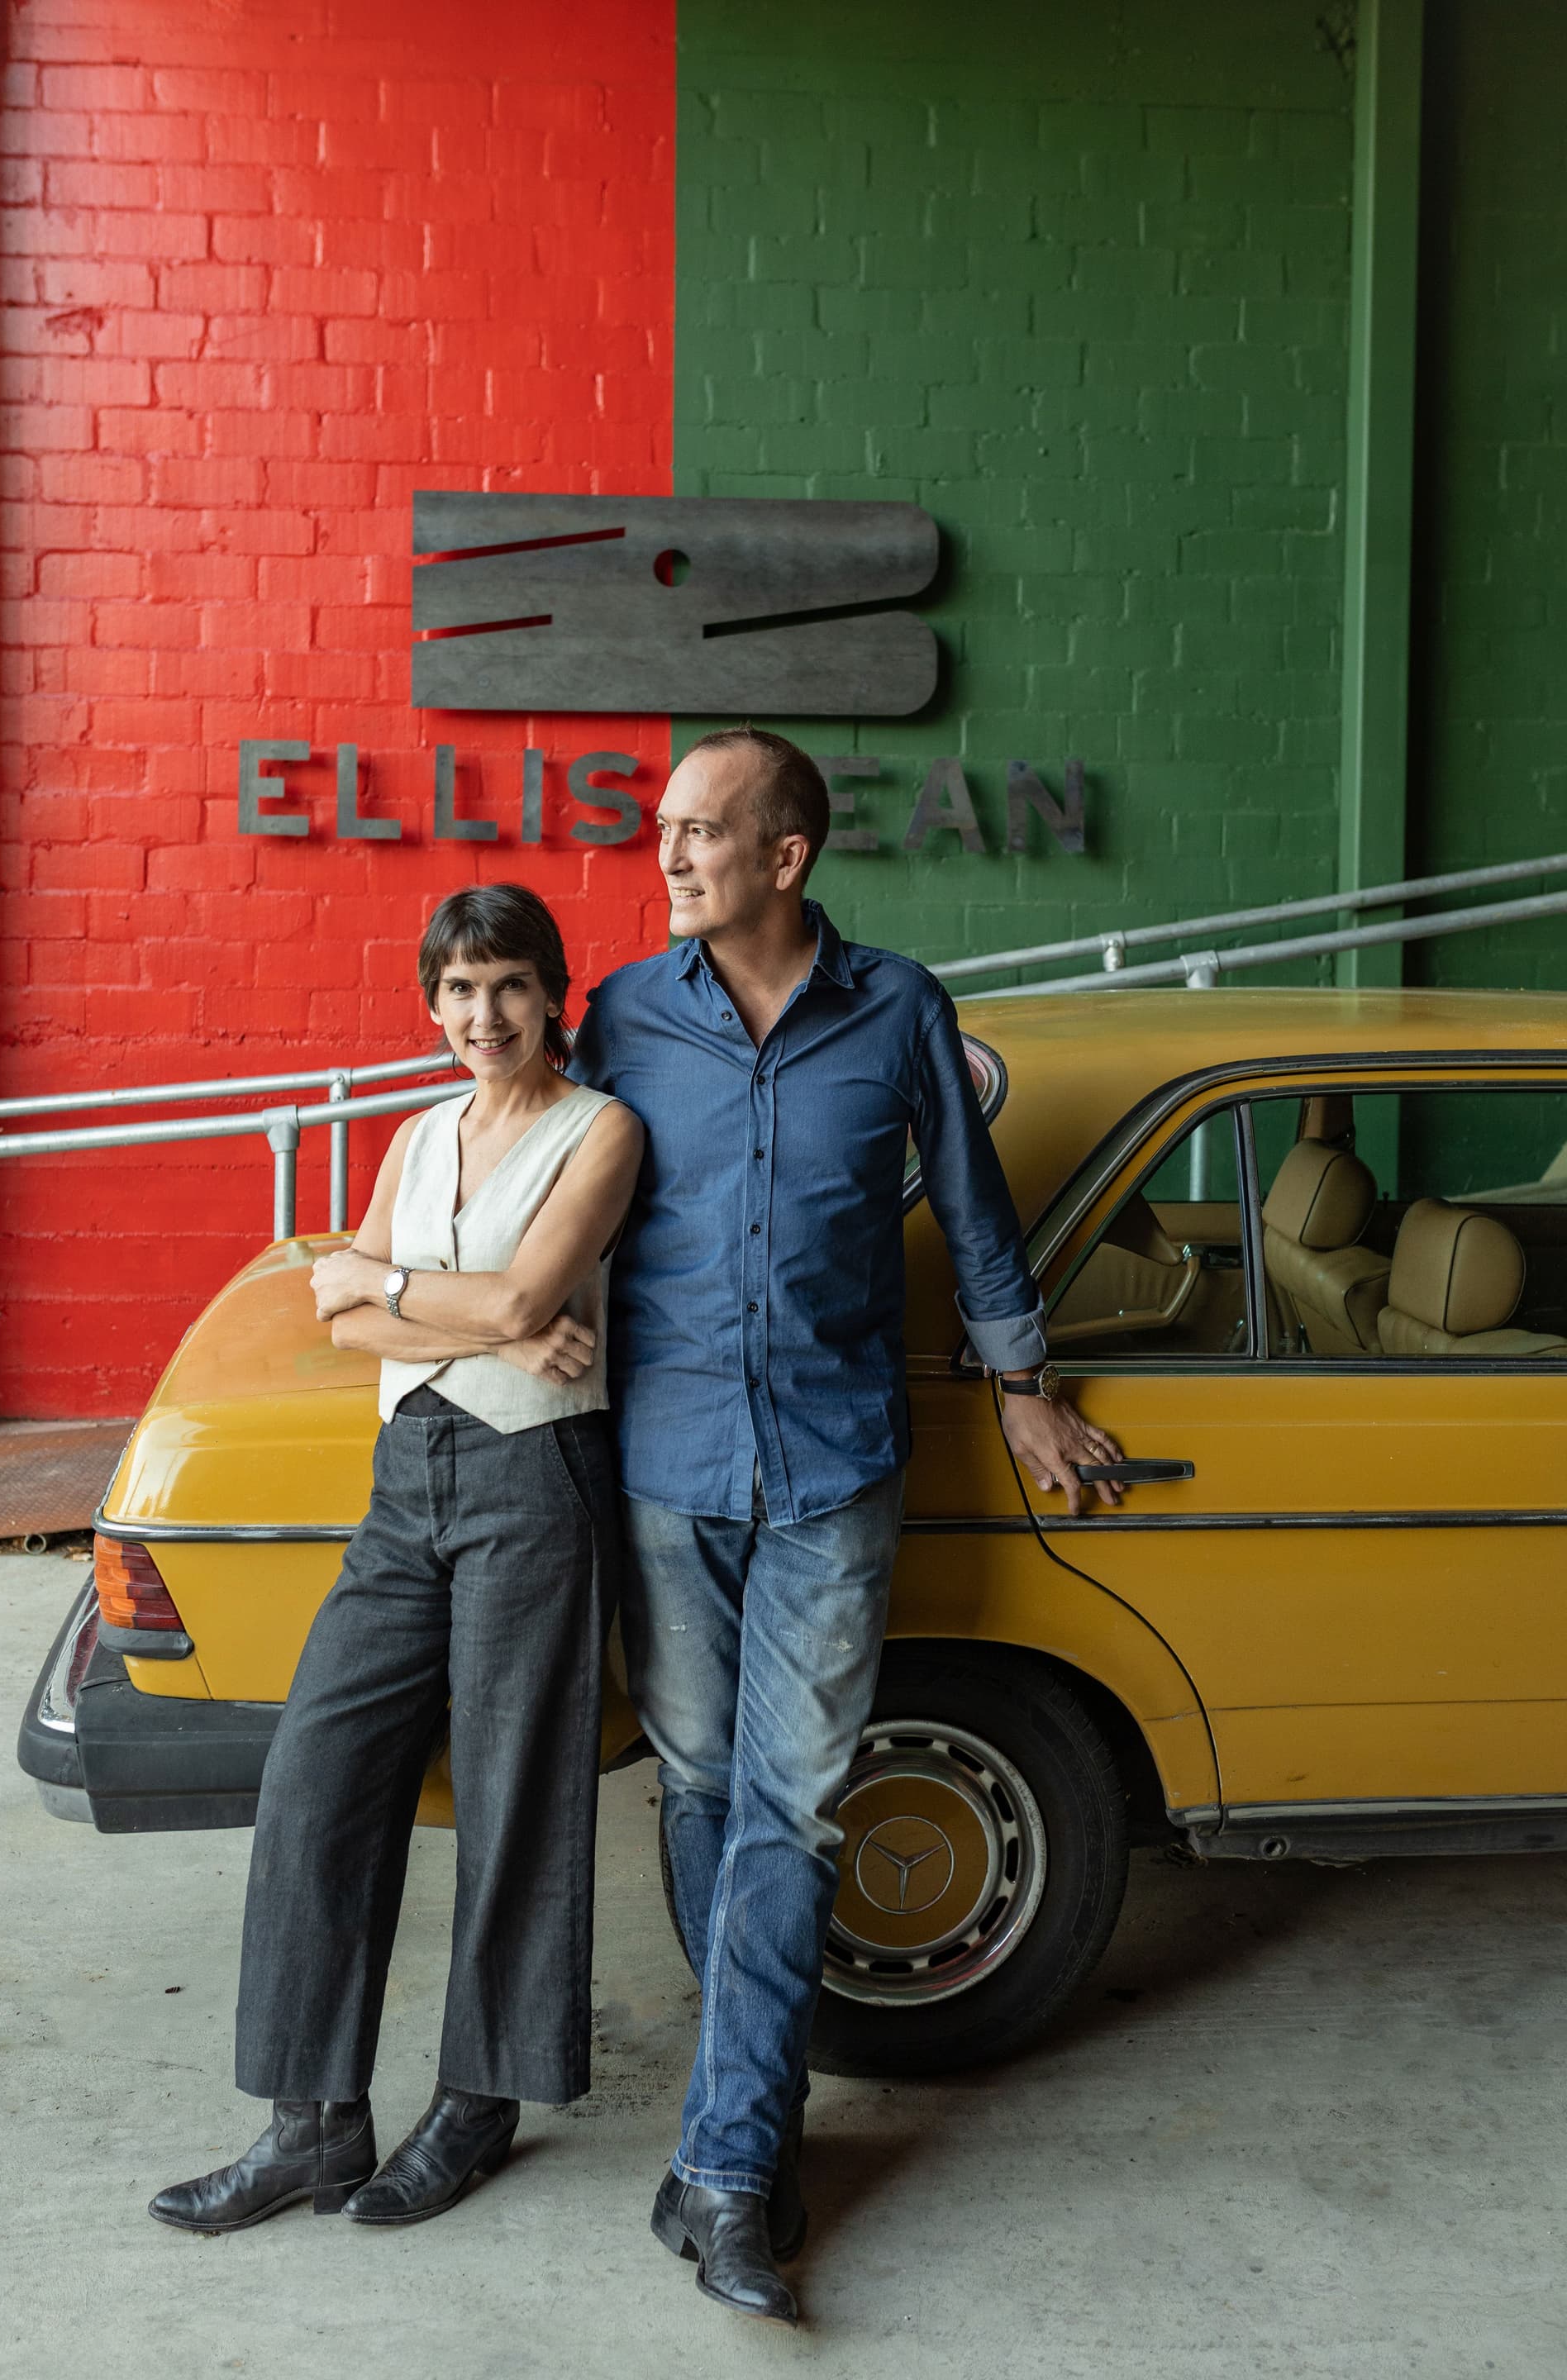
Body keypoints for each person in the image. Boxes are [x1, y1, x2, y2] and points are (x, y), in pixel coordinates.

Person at [571, 727, 1122, 2326]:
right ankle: (735, 2124)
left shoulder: (900, 1012)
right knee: (700, 1793)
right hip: (666, 1470)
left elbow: (972, 1202)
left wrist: (1022, 1380)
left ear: (787, 856)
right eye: (663, 832)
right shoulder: (623, 1016)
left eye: (697, 832)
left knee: (795, 1814)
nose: (667, 857)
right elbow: (543, 1176)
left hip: (832, 1472)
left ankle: (737, 2164)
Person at [150, 883, 641, 2235]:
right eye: (461, 991)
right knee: (316, 1773)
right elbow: (336, 1312)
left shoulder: (600, 1131)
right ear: (431, 1006)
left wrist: (426, 1300)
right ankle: (313, 2126)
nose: (487, 1016)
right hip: (405, 1483)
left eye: (513, 987)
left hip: (534, 1481)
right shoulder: (420, 1137)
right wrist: (476, 1322)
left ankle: (479, 2105)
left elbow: (523, 1298)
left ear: (555, 996)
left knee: (510, 1794)